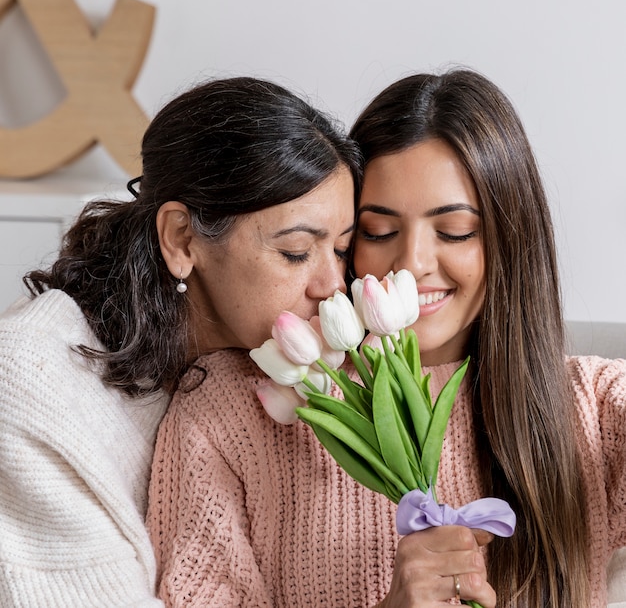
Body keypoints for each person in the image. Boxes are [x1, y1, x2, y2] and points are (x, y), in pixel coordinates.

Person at [147, 67, 626, 608]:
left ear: (510, 239)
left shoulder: (591, 407)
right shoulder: (232, 414)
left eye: (455, 231)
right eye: (377, 232)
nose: (412, 264)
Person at [0, 76, 359, 607]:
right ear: (182, 239)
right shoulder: (31, 383)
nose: (333, 286)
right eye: (297, 252)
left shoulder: (256, 367)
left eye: (344, 249)